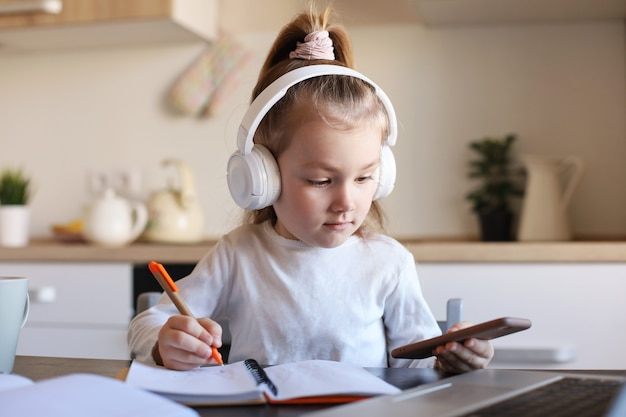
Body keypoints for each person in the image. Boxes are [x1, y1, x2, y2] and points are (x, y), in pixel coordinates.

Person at [128, 6, 494, 373]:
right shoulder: (238, 256)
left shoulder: (389, 263)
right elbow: (147, 325)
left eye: (365, 177)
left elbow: (417, 368)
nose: (346, 203)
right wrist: (165, 343)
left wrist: (452, 362)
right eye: (321, 181)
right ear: (263, 177)